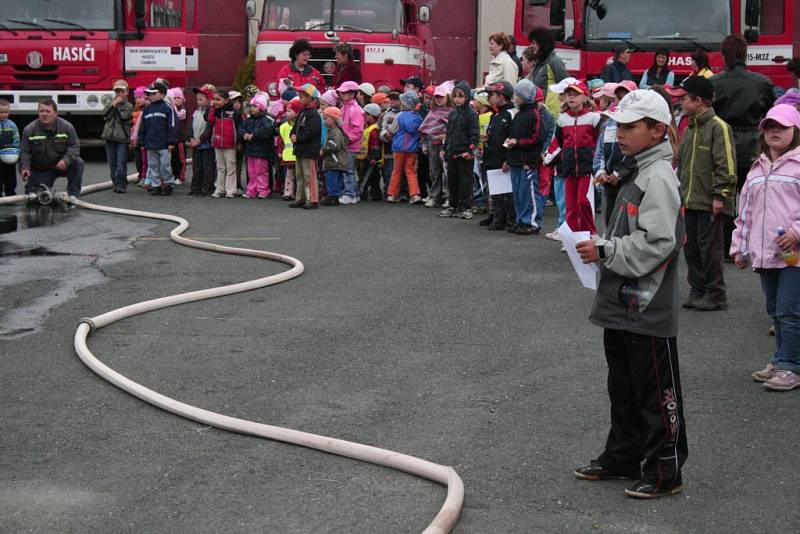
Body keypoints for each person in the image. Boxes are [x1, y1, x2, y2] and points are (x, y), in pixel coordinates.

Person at [574, 89, 687, 499]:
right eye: (618, 125)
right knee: (622, 386)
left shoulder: (657, 176)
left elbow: (660, 242)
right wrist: (606, 246)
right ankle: (624, 456)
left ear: (658, 130)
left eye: (630, 126)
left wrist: (607, 249)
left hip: (647, 303)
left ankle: (665, 472)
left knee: (656, 391)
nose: (620, 133)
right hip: (625, 300)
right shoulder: (638, 170)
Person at [732, 104, 800, 391]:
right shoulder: (756, 168)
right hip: (766, 254)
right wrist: (740, 247)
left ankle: (791, 366)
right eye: (769, 126)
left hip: (795, 255)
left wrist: (797, 232)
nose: (774, 131)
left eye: (781, 127)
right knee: (775, 310)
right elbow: (745, 211)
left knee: (789, 310)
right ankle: (781, 357)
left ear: (795, 131)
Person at [711, 33, 776, 258]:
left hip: (723, 146)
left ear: (723, 56)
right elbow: (771, 114)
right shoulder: (762, 82)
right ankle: (753, 243)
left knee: (724, 196)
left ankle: (729, 245)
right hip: (753, 145)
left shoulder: (714, 83)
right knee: (754, 196)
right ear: (745, 54)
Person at [677, 76, 737, 311]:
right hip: (690, 200)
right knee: (691, 247)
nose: (681, 102)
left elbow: (727, 165)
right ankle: (698, 288)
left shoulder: (718, 127)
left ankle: (715, 293)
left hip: (709, 201)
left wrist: (720, 195)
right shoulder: (691, 126)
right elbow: (682, 163)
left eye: (684, 98)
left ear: (699, 101)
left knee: (710, 248)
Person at [554, 80, 601, 233]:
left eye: (575, 95)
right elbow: (559, 142)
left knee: (583, 202)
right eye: (569, 95)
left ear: (584, 97)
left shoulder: (593, 118)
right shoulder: (562, 119)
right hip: (568, 168)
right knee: (571, 206)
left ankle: (589, 234)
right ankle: (573, 237)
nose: (571, 98)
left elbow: (599, 142)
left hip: (586, 168)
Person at [20, 99, 83, 198]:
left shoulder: (66, 127)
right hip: (42, 169)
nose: (44, 114)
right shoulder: (29, 130)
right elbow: (25, 152)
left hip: (61, 165)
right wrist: (25, 168)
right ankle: (39, 190)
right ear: (38, 113)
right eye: (41, 111)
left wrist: (65, 160)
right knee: (33, 197)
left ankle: (73, 195)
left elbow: (74, 146)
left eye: (48, 111)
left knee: (78, 163)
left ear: (55, 113)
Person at [440, 81, 479, 219]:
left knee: (465, 182)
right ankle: (452, 205)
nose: (457, 99)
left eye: (461, 96)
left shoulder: (472, 114)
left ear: (467, 97)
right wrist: (445, 148)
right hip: (452, 152)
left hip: (465, 154)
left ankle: (467, 207)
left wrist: (470, 151)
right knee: (452, 180)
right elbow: (449, 132)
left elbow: (475, 136)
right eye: (455, 96)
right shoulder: (452, 113)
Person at [482, 81, 515, 230]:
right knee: (494, 190)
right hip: (491, 156)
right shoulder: (496, 115)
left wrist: (507, 156)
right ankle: (496, 215)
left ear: (501, 97)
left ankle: (507, 218)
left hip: (502, 158)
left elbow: (511, 137)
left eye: (492, 95)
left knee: (505, 192)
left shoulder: (510, 114)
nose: (489, 98)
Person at [138, 81, 177, 196]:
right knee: (153, 165)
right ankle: (156, 185)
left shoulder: (167, 108)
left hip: (164, 144)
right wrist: (141, 141)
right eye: (149, 94)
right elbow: (142, 126)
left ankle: (168, 184)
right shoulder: (147, 109)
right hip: (150, 144)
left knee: (165, 165)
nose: (151, 96)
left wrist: (171, 141)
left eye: (154, 93)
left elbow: (173, 125)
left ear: (163, 94)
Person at [387, 91, 423, 204]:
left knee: (397, 170)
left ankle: (392, 194)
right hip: (412, 148)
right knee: (411, 171)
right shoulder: (418, 117)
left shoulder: (400, 116)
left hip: (399, 148)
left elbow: (392, 130)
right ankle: (414, 194)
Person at [290, 84, 322, 209]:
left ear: (310, 98)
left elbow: (312, 131)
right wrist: (292, 134)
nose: (300, 99)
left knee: (309, 176)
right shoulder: (303, 112)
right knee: (300, 175)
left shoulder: (314, 114)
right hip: (300, 149)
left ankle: (312, 199)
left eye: (302, 96)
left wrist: (298, 137)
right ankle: (301, 198)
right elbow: (295, 127)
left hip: (309, 150)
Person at [418, 83, 451, 208]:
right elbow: (425, 130)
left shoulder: (452, 112)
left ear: (448, 97)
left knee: (447, 172)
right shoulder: (432, 112)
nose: (438, 99)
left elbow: (453, 128)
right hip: (432, 144)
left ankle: (449, 196)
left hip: (446, 146)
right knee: (434, 172)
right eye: (436, 97)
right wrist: (424, 146)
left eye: (441, 97)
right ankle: (434, 196)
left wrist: (446, 135)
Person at [207, 89, 242, 198]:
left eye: (218, 99)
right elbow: (209, 119)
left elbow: (239, 127)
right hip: (217, 143)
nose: (216, 102)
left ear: (226, 100)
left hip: (230, 144)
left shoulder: (234, 113)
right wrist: (212, 107)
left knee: (231, 167)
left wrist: (239, 141)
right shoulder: (214, 111)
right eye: (214, 99)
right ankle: (219, 189)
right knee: (220, 167)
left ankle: (231, 190)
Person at [239, 92, 275, 199]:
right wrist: (244, 134)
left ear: (262, 108)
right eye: (252, 106)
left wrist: (253, 135)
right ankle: (251, 189)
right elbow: (241, 128)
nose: (252, 108)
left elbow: (267, 131)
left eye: (255, 106)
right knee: (252, 172)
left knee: (261, 171)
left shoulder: (267, 120)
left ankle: (263, 190)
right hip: (250, 150)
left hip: (262, 151)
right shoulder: (249, 119)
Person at [101, 79, 133, 193]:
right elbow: (105, 116)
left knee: (121, 162)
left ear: (127, 92)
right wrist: (112, 106)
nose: (119, 94)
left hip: (122, 138)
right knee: (112, 162)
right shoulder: (110, 104)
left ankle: (121, 184)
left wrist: (116, 107)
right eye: (117, 91)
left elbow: (124, 118)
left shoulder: (128, 106)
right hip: (109, 137)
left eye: (121, 91)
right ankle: (115, 182)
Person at [336, 80, 365, 205]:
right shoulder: (345, 107)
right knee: (349, 170)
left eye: (344, 93)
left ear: (352, 94)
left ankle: (350, 194)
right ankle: (354, 193)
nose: (341, 94)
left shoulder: (355, 109)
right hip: (347, 144)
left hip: (350, 145)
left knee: (348, 170)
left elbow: (358, 129)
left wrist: (347, 139)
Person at [188, 85, 215, 196]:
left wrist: (200, 140)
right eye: (197, 99)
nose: (198, 102)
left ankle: (207, 187)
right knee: (196, 167)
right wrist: (191, 138)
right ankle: (196, 187)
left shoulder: (210, 112)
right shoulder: (196, 111)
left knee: (207, 167)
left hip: (206, 144)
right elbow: (191, 125)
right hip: (196, 143)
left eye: (201, 99)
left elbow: (209, 128)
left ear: (209, 99)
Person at [320, 106, 349, 206]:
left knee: (332, 179)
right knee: (334, 180)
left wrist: (323, 150)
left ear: (333, 119)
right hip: (335, 161)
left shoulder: (335, 132)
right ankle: (334, 196)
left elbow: (334, 145)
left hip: (335, 161)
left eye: (326, 118)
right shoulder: (334, 131)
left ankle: (332, 197)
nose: (324, 121)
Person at [356, 103, 384, 201]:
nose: (364, 116)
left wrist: (374, 157)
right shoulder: (368, 126)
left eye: (366, 114)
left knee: (365, 177)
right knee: (375, 177)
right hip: (366, 156)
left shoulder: (374, 129)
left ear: (372, 116)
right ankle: (376, 194)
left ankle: (361, 192)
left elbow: (375, 145)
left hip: (370, 158)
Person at [277, 98, 300, 200]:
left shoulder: (300, 125)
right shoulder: (284, 126)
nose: (287, 113)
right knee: (289, 175)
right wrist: (279, 151)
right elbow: (281, 140)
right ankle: (288, 192)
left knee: (298, 175)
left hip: (298, 155)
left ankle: (297, 192)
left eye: (290, 111)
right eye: (287, 111)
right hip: (287, 155)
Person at [167, 87, 188, 186]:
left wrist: (173, 107)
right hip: (173, 139)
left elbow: (179, 115)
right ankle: (174, 175)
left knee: (181, 159)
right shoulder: (171, 110)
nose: (176, 100)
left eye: (178, 98)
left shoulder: (182, 110)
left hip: (180, 138)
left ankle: (181, 176)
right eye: (174, 98)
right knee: (173, 159)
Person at [0, 98, 21, 196]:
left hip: (9, 155)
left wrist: (15, 147)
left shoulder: (12, 125)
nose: (3, 114)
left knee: (10, 175)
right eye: (1, 112)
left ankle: (10, 192)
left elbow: (16, 137)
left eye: (6, 112)